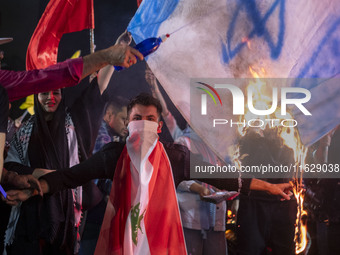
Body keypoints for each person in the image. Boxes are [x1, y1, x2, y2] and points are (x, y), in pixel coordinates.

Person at [5, 94, 293, 254]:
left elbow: (227, 179)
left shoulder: (176, 156)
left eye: (150, 119)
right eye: (136, 119)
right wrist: (34, 187)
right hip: (121, 242)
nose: (143, 125)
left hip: (162, 245)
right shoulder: (113, 155)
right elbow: (70, 177)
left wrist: (268, 187)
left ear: (159, 126)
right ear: (128, 123)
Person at [0, 36, 143, 180]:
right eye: (44, 93)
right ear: (36, 98)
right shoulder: (24, 133)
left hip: (70, 200)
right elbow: (11, 167)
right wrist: (41, 175)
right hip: (34, 199)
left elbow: (98, 88)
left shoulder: (75, 122)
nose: (51, 97)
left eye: (56, 92)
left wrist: (115, 51)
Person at [79, 96, 129, 255]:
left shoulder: (108, 135)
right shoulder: (103, 138)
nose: (127, 125)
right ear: (108, 115)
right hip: (90, 212)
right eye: (123, 119)